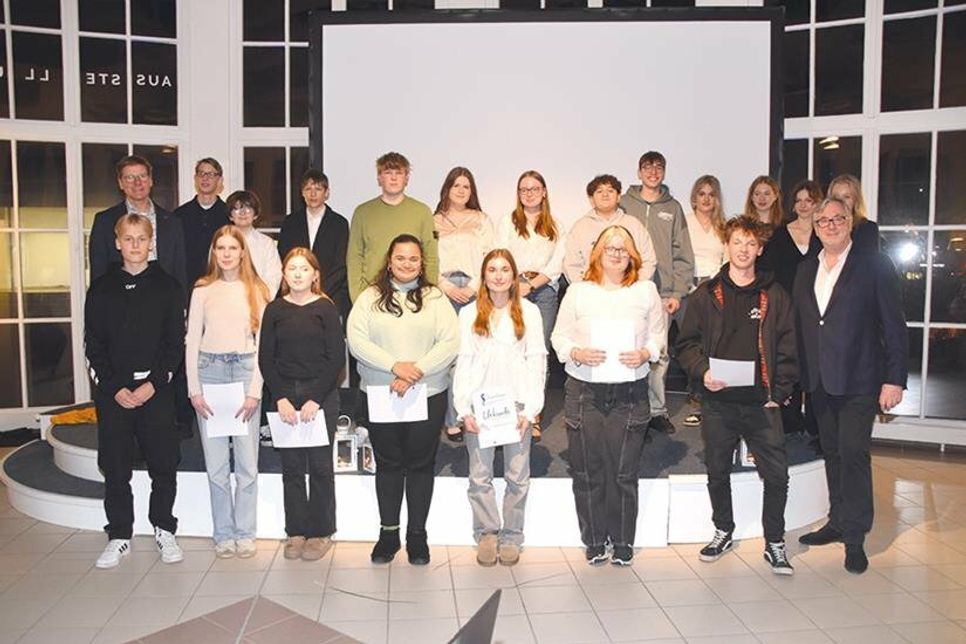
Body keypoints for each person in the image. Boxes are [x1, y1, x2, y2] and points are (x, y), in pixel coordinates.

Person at [676, 216, 798, 575]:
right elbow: (686, 344)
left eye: (751, 243)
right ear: (727, 246)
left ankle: (774, 541)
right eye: (737, 242)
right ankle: (723, 530)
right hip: (718, 403)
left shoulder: (775, 294)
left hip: (763, 403)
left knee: (777, 476)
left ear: (759, 249)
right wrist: (703, 372)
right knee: (717, 471)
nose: (744, 249)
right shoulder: (705, 294)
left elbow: (789, 346)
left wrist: (780, 392)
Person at [794, 197, 907, 574]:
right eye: (822, 221)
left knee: (853, 453)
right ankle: (838, 522)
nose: (830, 226)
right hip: (820, 381)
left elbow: (894, 325)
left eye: (837, 219)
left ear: (850, 223)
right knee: (832, 452)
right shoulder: (806, 268)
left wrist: (894, 379)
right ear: (815, 227)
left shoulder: (874, 264)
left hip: (860, 380)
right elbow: (803, 325)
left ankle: (855, 537)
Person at [551, 225, 665, 566]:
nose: (616, 253)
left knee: (623, 471)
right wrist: (576, 352)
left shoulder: (645, 290)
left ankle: (623, 540)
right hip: (584, 391)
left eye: (623, 248)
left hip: (630, 391)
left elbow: (658, 336)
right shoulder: (578, 291)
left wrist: (646, 353)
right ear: (597, 253)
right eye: (610, 247)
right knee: (588, 469)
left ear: (632, 256)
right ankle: (595, 540)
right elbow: (558, 338)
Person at [346, 234, 459, 566]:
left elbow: (450, 342)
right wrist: (396, 366)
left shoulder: (436, 298)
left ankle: (417, 536)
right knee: (389, 464)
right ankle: (389, 534)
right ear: (389, 260)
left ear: (421, 263)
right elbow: (357, 341)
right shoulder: (369, 298)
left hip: (427, 393)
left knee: (421, 464)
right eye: (400, 258)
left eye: (413, 258)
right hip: (381, 393)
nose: (406, 264)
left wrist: (415, 371)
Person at [84, 213, 186, 569]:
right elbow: (93, 345)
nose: (135, 245)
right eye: (128, 239)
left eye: (141, 238)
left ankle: (164, 528)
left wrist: (152, 385)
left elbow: (175, 345)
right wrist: (114, 388)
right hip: (114, 396)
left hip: (156, 393)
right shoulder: (101, 288)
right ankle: (119, 535)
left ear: (151, 242)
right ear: (117, 243)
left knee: (164, 465)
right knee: (115, 468)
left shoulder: (169, 287)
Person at [452, 249, 547, 566]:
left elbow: (537, 361)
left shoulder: (530, 312)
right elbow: (463, 362)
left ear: (514, 274)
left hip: (517, 406)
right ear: (484, 275)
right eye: (492, 269)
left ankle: (512, 536)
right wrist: (463, 409)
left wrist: (531, 410)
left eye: (505, 269)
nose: (498, 275)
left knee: (517, 476)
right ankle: (487, 533)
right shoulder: (469, 313)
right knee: (479, 476)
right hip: (480, 407)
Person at [185, 226, 269, 559]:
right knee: (217, 466)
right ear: (214, 252)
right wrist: (194, 389)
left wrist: (255, 391)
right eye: (220, 248)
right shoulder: (202, 290)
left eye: (232, 248)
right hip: (210, 373)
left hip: (245, 372)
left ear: (242, 252)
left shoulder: (257, 289)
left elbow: (264, 345)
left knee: (247, 465)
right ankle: (223, 534)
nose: (226, 254)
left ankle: (245, 533)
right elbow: (192, 340)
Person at [259, 248, 345, 561]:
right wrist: (280, 397)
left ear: (315, 274)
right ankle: (295, 530)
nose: (297, 274)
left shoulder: (325, 308)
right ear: (284, 274)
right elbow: (266, 358)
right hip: (284, 397)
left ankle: (321, 532)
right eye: (292, 268)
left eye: (304, 268)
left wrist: (315, 399)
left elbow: (336, 359)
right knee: (292, 468)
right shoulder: (274, 309)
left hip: (320, 397)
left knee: (321, 467)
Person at [619, 151, 695, 436]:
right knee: (626, 350)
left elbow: (682, 252)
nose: (653, 172)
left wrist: (677, 292)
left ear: (664, 172)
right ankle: (628, 410)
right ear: (639, 172)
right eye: (647, 167)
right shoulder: (623, 204)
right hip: (625, 290)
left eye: (658, 167)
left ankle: (656, 411)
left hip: (662, 293)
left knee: (658, 354)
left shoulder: (673, 208)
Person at [496, 170, 565, 441]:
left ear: (544, 192)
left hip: (544, 292)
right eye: (524, 189)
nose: (529, 194)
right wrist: (516, 286)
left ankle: (534, 415)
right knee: (511, 350)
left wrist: (532, 285)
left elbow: (557, 264)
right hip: (511, 290)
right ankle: (509, 411)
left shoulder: (556, 225)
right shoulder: (508, 222)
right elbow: (500, 256)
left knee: (538, 353)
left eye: (535, 189)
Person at [433, 167, 495, 442]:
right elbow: (427, 260)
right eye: (456, 185)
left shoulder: (481, 220)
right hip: (443, 291)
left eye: (466, 186)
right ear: (447, 188)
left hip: (474, 290)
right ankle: (451, 420)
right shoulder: (433, 220)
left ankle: (474, 415)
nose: (461, 190)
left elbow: (490, 257)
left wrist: (474, 287)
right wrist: (445, 287)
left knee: (474, 357)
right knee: (448, 358)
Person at [759, 180, 824, 438]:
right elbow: (766, 271)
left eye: (809, 200)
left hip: (819, 311)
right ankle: (790, 420)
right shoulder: (779, 234)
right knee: (788, 362)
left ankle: (817, 426)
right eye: (798, 200)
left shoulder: (825, 233)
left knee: (815, 365)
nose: (803, 205)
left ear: (817, 203)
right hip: (786, 310)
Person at [347, 152, 439, 302]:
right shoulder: (362, 212)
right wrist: (358, 296)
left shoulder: (422, 212)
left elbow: (431, 256)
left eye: (399, 173)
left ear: (406, 178)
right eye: (388, 172)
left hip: (413, 294)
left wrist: (429, 294)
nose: (394, 178)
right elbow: (354, 258)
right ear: (379, 178)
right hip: (372, 294)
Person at [89, 155, 187, 291]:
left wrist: (181, 300)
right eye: (130, 177)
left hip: (163, 295)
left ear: (151, 180)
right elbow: (98, 273)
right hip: (120, 296)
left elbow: (180, 272)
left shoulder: (173, 222)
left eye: (142, 176)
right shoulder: (105, 221)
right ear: (120, 183)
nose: (137, 182)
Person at [680, 175, 728, 428]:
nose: (706, 199)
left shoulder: (724, 227)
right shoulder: (683, 223)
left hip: (715, 292)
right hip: (688, 291)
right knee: (692, 347)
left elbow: (728, 261)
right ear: (694, 198)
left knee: (713, 347)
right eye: (702, 193)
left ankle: (712, 402)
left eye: (711, 194)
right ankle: (695, 402)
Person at [277, 169, 350, 319]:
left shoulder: (339, 223)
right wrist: (300, 289)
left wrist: (317, 292)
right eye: (308, 189)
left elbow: (341, 264)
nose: (313, 194)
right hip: (295, 294)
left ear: (327, 193)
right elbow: (283, 257)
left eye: (318, 189)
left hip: (329, 295)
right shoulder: (290, 222)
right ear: (302, 193)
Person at [564, 174, 656, 286]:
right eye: (599, 191)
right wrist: (587, 289)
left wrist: (634, 287)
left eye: (610, 191)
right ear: (591, 199)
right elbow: (571, 264)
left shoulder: (634, 225)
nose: (605, 195)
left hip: (629, 291)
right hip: (591, 292)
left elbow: (648, 261)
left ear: (619, 197)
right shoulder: (580, 227)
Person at [175, 158, 230, 289]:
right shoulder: (179, 215)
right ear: (195, 179)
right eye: (201, 173)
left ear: (219, 180)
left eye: (211, 174)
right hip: (187, 287)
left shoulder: (229, 215)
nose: (205, 178)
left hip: (222, 285)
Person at [225, 190, 283, 296]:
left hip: (258, 300)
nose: (243, 213)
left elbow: (274, 278)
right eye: (237, 209)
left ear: (255, 215)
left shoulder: (267, 244)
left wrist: (257, 298)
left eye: (248, 208)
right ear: (230, 216)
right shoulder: (221, 242)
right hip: (227, 298)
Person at [827, 174, 880, 253]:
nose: (841, 201)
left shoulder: (867, 229)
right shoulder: (822, 226)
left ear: (856, 200)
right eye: (836, 197)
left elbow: (870, 258)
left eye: (846, 197)